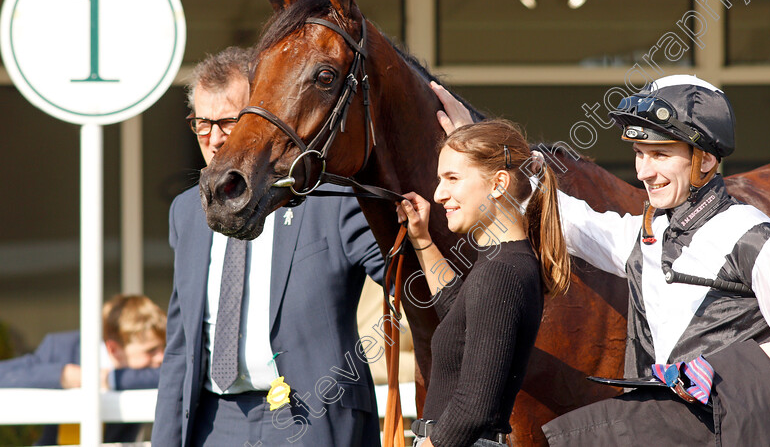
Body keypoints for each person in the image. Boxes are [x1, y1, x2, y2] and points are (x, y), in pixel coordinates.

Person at [432, 76, 770, 445]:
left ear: (707, 160)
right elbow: (573, 221)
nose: (644, 171)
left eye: (660, 154)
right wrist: (480, 156)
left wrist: (726, 387)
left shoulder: (752, 236)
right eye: (640, 153)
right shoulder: (647, 233)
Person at [152, 46, 386, 447]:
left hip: (311, 417)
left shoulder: (331, 199)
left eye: (227, 121)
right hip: (213, 419)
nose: (213, 139)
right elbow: (181, 346)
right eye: (201, 124)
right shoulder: (186, 212)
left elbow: (410, 282)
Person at [396, 119, 570, 447]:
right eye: (439, 180)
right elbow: (457, 310)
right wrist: (422, 239)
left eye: (452, 178)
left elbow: (473, 408)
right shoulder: (502, 262)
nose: (438, 194)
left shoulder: (501, 273)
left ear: (498, 183)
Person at [0, 293, 166, 444]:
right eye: (151, 351)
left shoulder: (156, 367)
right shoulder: (61, 348)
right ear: (114, 349)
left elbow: (168, 375)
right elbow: (5, 374)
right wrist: (63, 375)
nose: (161, 357)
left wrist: (107, 379)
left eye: (164, 347)